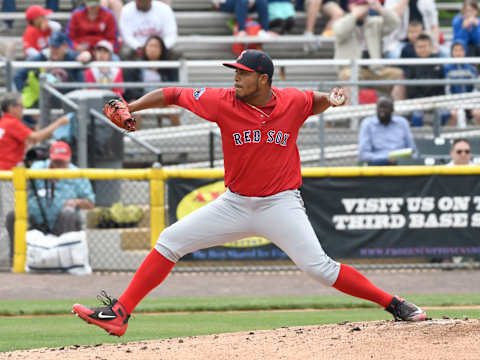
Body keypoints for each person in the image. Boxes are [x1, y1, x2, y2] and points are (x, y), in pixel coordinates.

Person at [72, 49, 426, 337]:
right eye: (235, 71)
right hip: (235, 204)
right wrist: (130, 107)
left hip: (280, 204)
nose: (235, 77)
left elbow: (313, 101)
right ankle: (120, 313)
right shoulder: (223, 100)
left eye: (242, 72)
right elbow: (173, 94)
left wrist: (332, 100)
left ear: (263, 79)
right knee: (170, 240)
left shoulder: (291, 101)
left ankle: (394, 303)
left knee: (319, 268)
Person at [5, 141, 95, 262]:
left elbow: (90, 202)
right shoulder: (38, 168)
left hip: (62, 222)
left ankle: (65, 261)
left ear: (69, 159)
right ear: (50, 158)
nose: (59, 166)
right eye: (56, 162)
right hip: (36, 221)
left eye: (62, 162)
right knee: (13, 215)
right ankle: (16, 260)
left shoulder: (77, 173)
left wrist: (76, 202)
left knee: (68, 213)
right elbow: (23, 178)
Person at [333, 0, 405, 103]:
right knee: (348, 76)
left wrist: (380, 9)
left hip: (374, 70)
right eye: (359, 5)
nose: (362, 8)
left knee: (399, 75)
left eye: (364, 5)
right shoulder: (341, 22)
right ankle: (350, 116)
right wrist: (354, 15)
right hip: (351, 69)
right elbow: (339, 33)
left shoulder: (374, 22)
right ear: (351, 6)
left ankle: (400, 113)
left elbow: (395, 23)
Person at [14, 31, 91, 117]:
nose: (54, 50)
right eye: (52, 47)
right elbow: (18, 76)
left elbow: (85, 62)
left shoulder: (71, 56)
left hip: (69, 105)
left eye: (57, 47)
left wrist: (87, 55)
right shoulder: (41, 58)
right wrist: (23, 96)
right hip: (45, 106)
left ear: (65, 46)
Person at [0, 93, 70, 171]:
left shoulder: (3, 122)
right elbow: (37, 138)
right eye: (21, 106)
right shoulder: (11, 122)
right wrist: (59, 122)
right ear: (11, 107)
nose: (23, 109)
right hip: (7, 172)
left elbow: (29, 141)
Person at [123, 35, 181, 129]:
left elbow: (173, 87)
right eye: (150, 46)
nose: (153, 49)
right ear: (145, 48)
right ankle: (137, 140)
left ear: (162, 49)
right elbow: (131, 89)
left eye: (156, 46)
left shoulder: (169, 66)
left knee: (174, 109)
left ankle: (179, 134)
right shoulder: (136, 66)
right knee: (134, 109)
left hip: (161, 101)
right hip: (142, 101)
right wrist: (142, 100)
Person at [358, 96, 417, 165]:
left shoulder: (402, 123)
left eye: (385, 107)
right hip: (377, 165)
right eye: (380, 107)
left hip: (401, 164)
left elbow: (413, 151)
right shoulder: (367, 124)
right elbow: (364, 155)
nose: (382, 110)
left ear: (392, 109)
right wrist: (385, 159)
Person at [404, 33, 445, 126]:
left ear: (430, 47)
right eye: (419, 47)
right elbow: (410, 90)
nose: (422, 49)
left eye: (424, 46)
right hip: (417, 102)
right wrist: (421, 101)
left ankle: (442, 138)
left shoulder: (439, 63)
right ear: (415, 48)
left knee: (446, 114)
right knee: (416, 115)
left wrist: (435, 100)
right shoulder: (411, 65)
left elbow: (442, 87)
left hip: (437, 101)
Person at [443, 40, 480, 127]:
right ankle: (451, 138)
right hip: (453, 100)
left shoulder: (471, 68)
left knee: (478, 113)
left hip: (470, 100)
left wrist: (469, 99)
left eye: (461, 50)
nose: (458, 53)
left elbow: (476, 87)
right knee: (454, 113)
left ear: (465, 51)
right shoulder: (447, 68)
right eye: (455, 50)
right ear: (451, 52)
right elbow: (447, 89)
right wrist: (453, 101)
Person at [212, 0, 277, 38]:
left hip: (247, 2)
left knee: (262, 1)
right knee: (242, 1)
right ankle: (241, 30)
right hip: (225, 3)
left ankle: (265, 30)